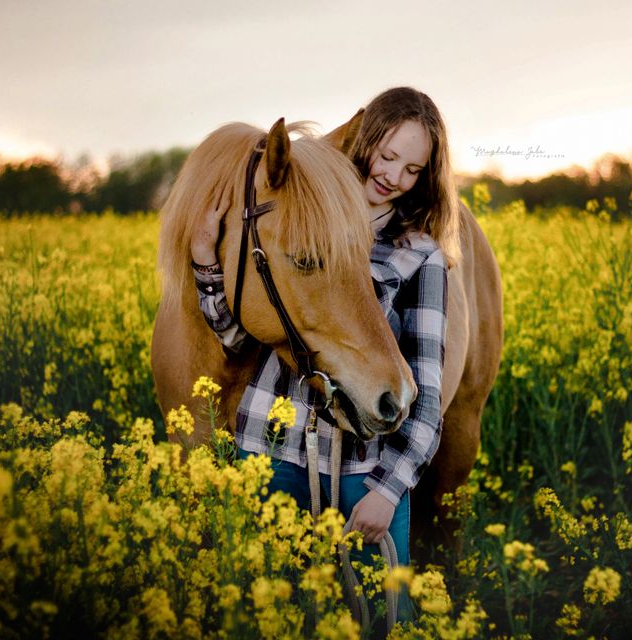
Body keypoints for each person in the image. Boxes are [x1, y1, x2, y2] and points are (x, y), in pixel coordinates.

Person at [190, 87, 460, 573]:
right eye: (388, 155)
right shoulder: (299, 214)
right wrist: (206, 261)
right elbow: (239, 341)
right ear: (365, 141)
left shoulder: (421, 254)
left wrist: (389, 489)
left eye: (413, 169)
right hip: (270, 451)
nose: (393, 176)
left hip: (361, 472)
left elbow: (426, 394)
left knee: (381, 616)